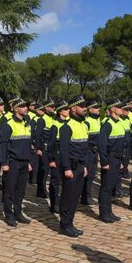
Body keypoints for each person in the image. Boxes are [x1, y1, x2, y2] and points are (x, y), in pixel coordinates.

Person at [0, 97, 32, 227]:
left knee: (21, 190)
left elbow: (28, 144)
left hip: (24, 162)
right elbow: (2, 145)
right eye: (23, 106)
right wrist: (4, 163)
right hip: (12, 162)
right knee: (9, 190)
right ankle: (9, 214)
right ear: (16, 108)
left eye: (26, 106)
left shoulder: (26, 123)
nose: (26, 108)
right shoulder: (9, 124)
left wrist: (28, 161)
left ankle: (18, 212)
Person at [58, 97, 89, 237]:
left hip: (80, 166)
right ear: (73, 108)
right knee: (67, 196)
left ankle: (70, 222)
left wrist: (85, 166)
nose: (84, 108)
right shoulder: (66, 126)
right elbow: (63, 150)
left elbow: (84, 148)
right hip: (70, 166)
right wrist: (66, 168)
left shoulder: (84, 125)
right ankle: (65, 224)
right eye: (81, 106)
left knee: (75, 197)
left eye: (85, 106)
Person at [98, 98, 126, 223]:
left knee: (111, 186)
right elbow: (102, 144)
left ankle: (109, 211)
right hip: (110, 158)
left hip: (117, 158)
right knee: (106, 187)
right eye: (119, 107)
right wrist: (104, 162)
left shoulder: (119, 122)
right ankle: (104, 213)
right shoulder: (107, 123)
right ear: (112, 109)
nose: (121, 109)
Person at [33, 99, 56, 199]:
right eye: (51, 107)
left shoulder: (53, 119)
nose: (53, 108)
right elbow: (37, 135)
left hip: (52, 148)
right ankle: (40, 190)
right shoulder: (42, 119)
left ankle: (45, 189)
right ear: (46, 108)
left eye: (54, 107)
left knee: (49, 170)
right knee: (43, 170)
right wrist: (38, 148)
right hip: (44, 147)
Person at [81, 101, 101, 206]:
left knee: (92, 175)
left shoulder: (97, 121)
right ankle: (85, 197)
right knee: (87, 175)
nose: (98, 109)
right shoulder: (87, 121)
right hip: (88, 151)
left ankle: (87, 195)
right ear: (90, 109)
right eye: (96, 107)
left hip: (95, 152)